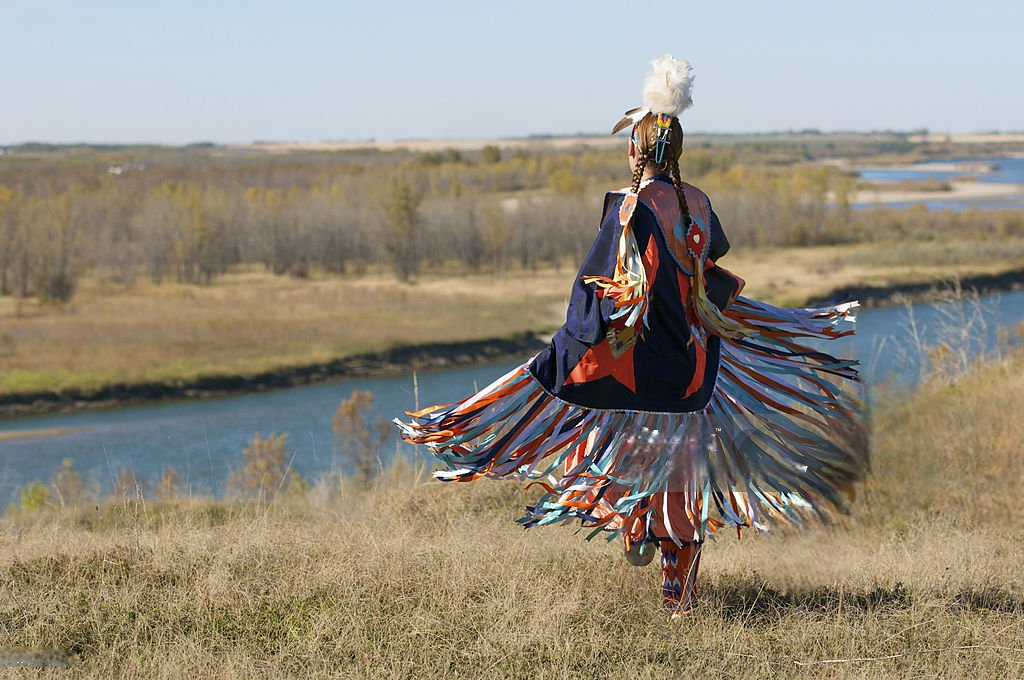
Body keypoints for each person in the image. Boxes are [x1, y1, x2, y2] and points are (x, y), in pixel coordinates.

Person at [395, 56, 868, 616]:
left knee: (617, 453)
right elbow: (708, 263)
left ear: (632, 149)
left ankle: (637, 526)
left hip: (636, 372)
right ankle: (677, 595)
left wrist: (566, 350)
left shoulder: (629, 210)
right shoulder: (698, 202)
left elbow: (596, 291)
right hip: (691, 374)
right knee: (680, 480)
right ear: (678, 152)